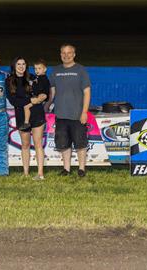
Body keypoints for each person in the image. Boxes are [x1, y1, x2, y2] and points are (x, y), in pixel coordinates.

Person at [46, 44, 91, 177]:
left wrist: (84, 112)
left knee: (80, 143)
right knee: (63, 143)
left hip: (77, 115)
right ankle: (66, 169)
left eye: (69, 53)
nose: (66, 55)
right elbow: (52, 92)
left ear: (74, 54)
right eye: (63, 53)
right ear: (60, 55)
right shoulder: (55, 71)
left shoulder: (81, 70)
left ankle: (81, 169)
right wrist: (47, 104)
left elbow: (87, 92)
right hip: (60, 114)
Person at [6, 57, 49, 180]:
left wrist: (42, 96)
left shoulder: (33, 77)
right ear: (14, 66)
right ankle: (26, 173)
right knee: (25, 145)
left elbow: (44, 92)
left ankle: (40, 173)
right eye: (18, 64)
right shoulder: (9, 80)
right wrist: (30, 100)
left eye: (23, 64)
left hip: (37, 114)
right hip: (21, 115)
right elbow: (13, 100)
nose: (21, 66)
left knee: (38, 144)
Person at [19, 59, 49, 131]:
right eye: (35, 69)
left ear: (45, 69)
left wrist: (40, 95)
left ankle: (26, 123)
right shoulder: (38, 77)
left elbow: (43, 89)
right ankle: (27, 122)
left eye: (39, 68)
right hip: (38, 96)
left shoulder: (43, 79)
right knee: (27, 106)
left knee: (26, 106)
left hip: (41, 95)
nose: (37, 70)